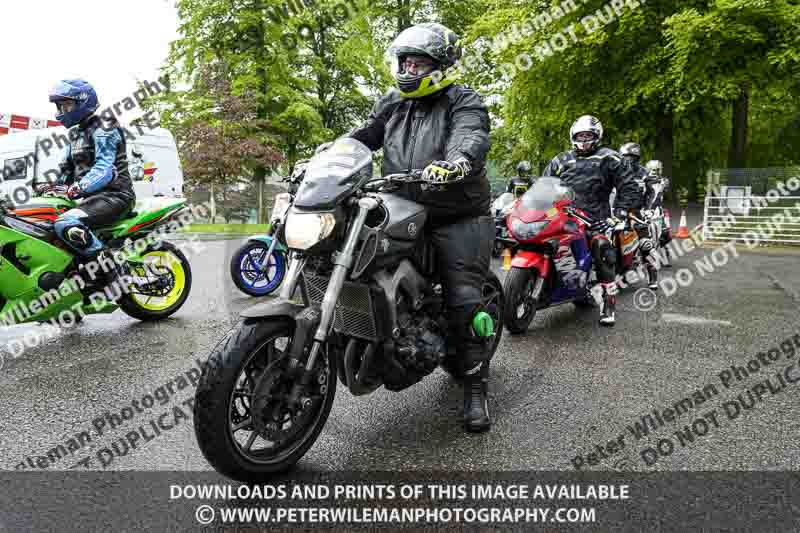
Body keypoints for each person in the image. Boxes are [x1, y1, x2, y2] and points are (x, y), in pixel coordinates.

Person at [346, 22, 494, 432]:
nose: (409, 69)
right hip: (402, 205)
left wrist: (458, 162)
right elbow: (363, 137)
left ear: (442, 66)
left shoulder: (464, 101)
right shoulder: (394, 102)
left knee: (464, 299)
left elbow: (471, 137)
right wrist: (331, 153)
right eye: (405, 61)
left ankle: (476, 384)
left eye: (419, 62)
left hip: (457, 213)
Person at [542, 115, 640, 326]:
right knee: (540, 240)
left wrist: (621, 212)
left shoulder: (610, 157)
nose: (584, 139)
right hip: (564, 216)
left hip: (597, 218)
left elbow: (629, 185)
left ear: (597, 136)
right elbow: (545, 184)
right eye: (580, 135)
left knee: (602, 249)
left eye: (588, 135)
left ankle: (608, 303)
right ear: (573, 136)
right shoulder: (560, 159)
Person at [41, 79, 136, 284]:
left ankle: (113, 270)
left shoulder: (105, 127)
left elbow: (105, 169)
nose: (61, 110)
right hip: (88, 200)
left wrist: (79, 187)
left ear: (82, 102)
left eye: (66, 105)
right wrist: (48, 188)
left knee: (67, 223)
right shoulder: (74, 133)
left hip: (114, 196)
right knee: (44, 222)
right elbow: (65, 171)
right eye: (59, 106)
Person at [620, 142, 658, 289]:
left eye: (631, 157)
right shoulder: (616, 173)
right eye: (625, 157)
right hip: (618, 212)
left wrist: (649, 208)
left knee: (646, 245)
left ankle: (652, 275)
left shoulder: (644, 173)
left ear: (637, 158)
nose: (628, 160)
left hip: (637, 213)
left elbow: (654, 192)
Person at [644, 159, 672, 267]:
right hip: (645, 210)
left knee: (664, 235)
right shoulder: (644, 180)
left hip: (658, 211)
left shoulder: (663, 181)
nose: (657, 171)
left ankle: (665, 256)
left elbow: (663, 187)